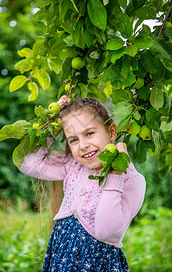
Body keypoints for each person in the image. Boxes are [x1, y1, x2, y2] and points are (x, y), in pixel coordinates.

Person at [19, 96, 146, 271]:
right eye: (73, 140)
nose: (83, 145)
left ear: (112, 132)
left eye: (89, 133)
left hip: (96, 264)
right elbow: (27, 162)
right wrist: (53, 123)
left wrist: (116, 173)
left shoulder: (131, 180)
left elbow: (106, 231)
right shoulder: (73, 165)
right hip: (61, 259)